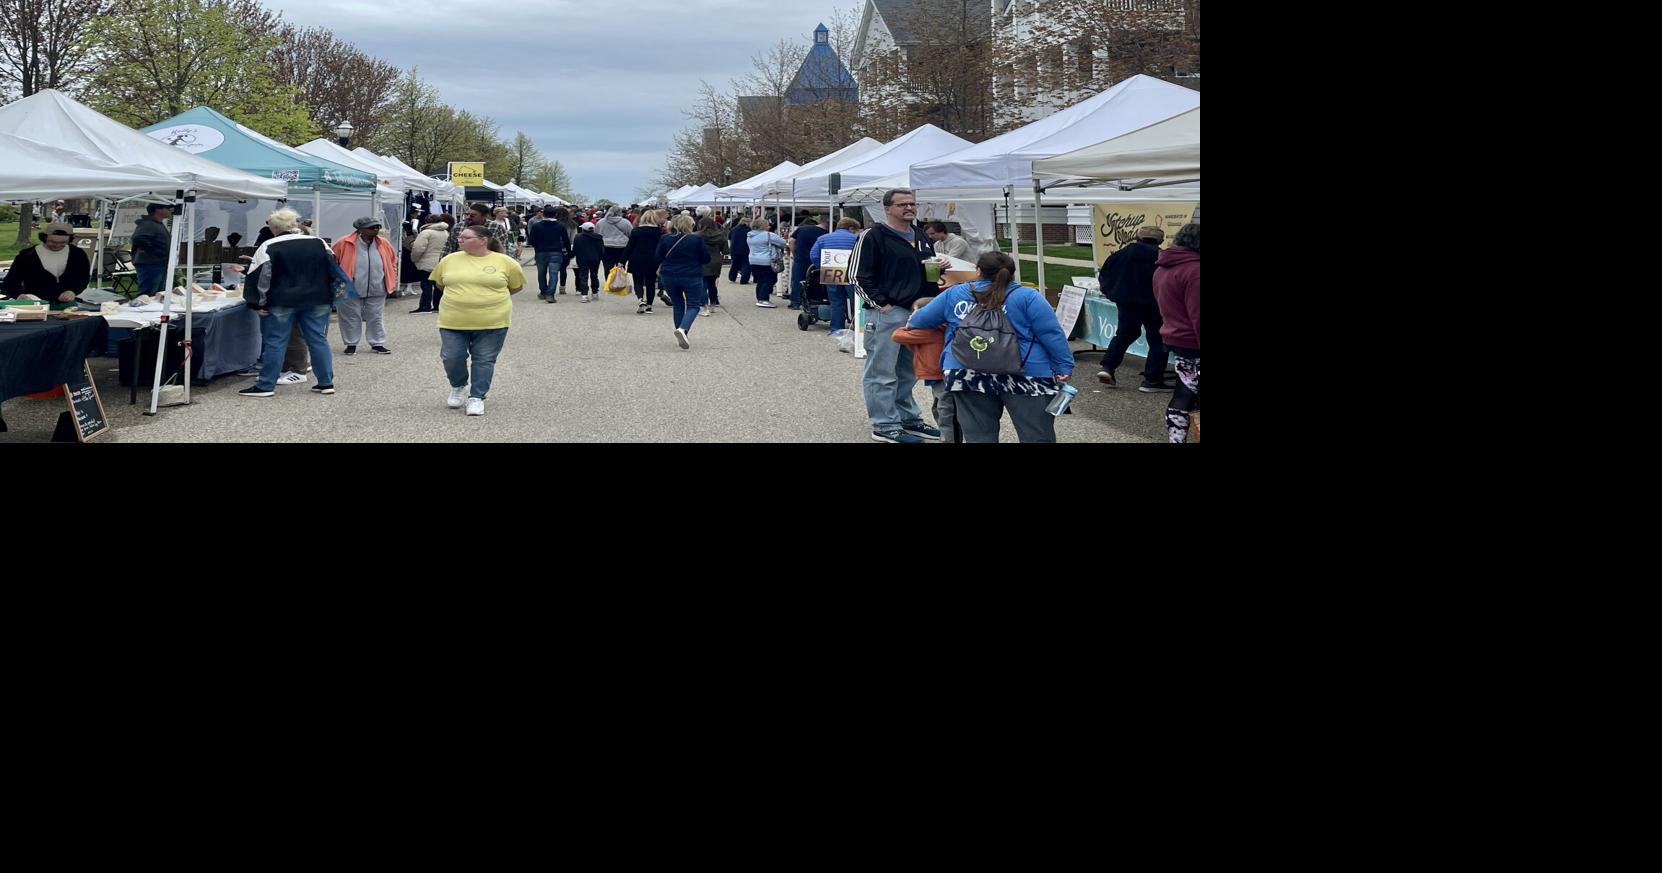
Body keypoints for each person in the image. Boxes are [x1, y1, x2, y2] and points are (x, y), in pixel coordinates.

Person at [907, 251, 1075, 443]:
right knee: (1036, 435)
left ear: (978, 271)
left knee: (978, 437)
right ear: (1011, 272)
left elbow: (919, 320)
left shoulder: (955, 293)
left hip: (967, 372)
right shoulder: (1028, 297)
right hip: (1026, 374)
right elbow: (1052, 334)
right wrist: (1063, 366)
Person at [855, 189, 941, 444]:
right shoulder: (874, 236)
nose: (909, 207)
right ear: (888, 208)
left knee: (908, 371)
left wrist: (938, 267)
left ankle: (907, 419)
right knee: (881, 372)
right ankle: (884, 425)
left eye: (912, 203)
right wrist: (882, 304)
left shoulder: (920, 234)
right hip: (888, 313)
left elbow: (924, 267)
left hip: (919, 313)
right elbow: (858, 275)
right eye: (902, 204)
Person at [237, 209, 338, 398]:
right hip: (317, 299)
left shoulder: (269, 245)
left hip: (281, 300)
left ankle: (266, 385)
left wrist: (257, 304)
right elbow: (333, 269)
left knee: (275, 342)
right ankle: (326, 382)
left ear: (274, 227)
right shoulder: (319, 242)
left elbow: (260, 277)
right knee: (318, 340)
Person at [428, 225, 526, 417]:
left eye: (466, 237)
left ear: (483, 240)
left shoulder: (506, 262)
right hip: (453, 319)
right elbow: (440, 284)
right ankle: (458, 386)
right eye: (460, 237)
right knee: (451, 356)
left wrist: (488, 298)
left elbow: (515, 287)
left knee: (484, 360)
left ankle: (477, 397)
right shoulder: (449, 260)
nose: (460, 240)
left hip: (493, 320)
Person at [1095, 226, 1172, 391]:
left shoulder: (1120, 254)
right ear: (1160, 241)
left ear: (1138, 238)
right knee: (1158, 340)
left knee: (1125, 333)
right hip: (1153, 304)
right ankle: (1152, 379)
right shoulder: (1160, 257)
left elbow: (1104, 276)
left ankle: (1108, 366)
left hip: (1126, 302)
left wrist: (1111, 294)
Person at [1154, 223, 1200, 444]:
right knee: (1186, 393)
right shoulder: (1195, 270)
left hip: (1176, 337)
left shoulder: (1163, 268)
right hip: (1193, 340)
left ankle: (1176, 439)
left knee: (1184, 392)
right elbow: (1198, 314)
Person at [890, 296, 955, 443]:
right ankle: (946, 435)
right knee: (940, 407)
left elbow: (896, 335)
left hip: (937, 374)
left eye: (916, 313)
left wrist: (908, 324)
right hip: (939, 374)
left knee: (944, 410)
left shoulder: (927, 331)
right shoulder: (941, 327)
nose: (912, 316)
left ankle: (948, 438)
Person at [330, 217, 398, 355]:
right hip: (350, 287)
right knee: (349, 316)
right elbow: (332, 261)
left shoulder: (383, 243)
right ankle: (351, 343)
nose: (376, 230)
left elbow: (392, 261)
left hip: (378, 287)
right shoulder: (344, 243)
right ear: (360, 230)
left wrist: (392, 277)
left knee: (376, 316)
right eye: (372, 227)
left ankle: (377, 343)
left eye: (377, 227)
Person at [656, 214, 712, 349]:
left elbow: (657, 257)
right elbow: (706, 259)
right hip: (691, 275)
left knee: (678, 304)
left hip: (669, 275)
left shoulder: (665, 238)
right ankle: (683, 329)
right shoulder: (696, 239)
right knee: (693, 305)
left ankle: (681, 332)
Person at [2, 222, 90, 308]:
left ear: (69, 240)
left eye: (63, 243)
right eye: (52, 242)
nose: (57, 245)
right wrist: (18, 295)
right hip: (35, 305)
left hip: (67, 305)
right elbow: (10, 282)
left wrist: (73, 291)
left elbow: (83, 277)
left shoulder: (77, 254)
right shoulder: (27, 255)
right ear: (44, 237)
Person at [809, 217, 861, 334]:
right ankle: (858, 328)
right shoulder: (857, 239)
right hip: (852, 273)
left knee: (836, 302)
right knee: (856, 301)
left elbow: (813, 255)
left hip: (831, 271)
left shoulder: (823, 238)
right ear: (851, 228)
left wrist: (822, 267)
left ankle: (836, 329)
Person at [527, 205, 572, 303]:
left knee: (541, 273)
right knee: (554, 273)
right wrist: (569, 252)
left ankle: (543, 291)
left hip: (541, 252)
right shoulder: (560, 226)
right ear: (555, 214)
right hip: (556, 251)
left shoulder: (536, 225)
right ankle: (550, 294)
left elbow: (531, 240)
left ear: (543, 214)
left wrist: (537, 247)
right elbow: (566, 240)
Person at [624, 209, 665, 315]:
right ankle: (649, 306)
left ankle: (641, 299)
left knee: (637, 281)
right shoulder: (659, 232)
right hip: (653, 259)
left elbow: (629, 247)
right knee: (650, 283)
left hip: (637, 258)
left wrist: (622, 261)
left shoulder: (636, 231)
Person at [131, 202, 174, 298]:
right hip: (150, 264)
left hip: (159, 263)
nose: (170, 210)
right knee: (147, 294)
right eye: (167, 208)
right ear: (158, 210)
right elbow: (138, 238)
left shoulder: (157, 224)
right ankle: (141, 311)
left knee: (158, 294)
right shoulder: (148, 224)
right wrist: (155, 251)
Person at [409, 214, 449, 313]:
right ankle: (437, 306)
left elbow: (418, 248)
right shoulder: (446, 232)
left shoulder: (426, 233)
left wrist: (414, 259)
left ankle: (424, 306)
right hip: (441, 262)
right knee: (438, 286)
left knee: (426, 286)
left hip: (427, 262)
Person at [788, 215, 828, 310]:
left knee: (797, 280)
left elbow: (791, 242)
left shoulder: (801, 229)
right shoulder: (826, 233)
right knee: (815, 280)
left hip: (800, 258)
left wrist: (794, 253)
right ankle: (813, 300)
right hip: (818, 260)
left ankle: (795, 302)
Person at [746, 219, 788, 308]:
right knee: (770, 279)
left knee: (761, 280)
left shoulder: (750, 235)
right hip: (766, 260)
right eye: (767, 225)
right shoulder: (768, 235)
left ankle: (760, 298)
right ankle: (763, 299)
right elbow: (783, 243)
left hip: (753, 260)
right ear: (763, 226)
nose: (769, 227)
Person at [696, 217, 728, 316]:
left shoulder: (697, 236)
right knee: (712, 284)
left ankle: (703, 305)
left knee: (702, 284)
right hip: (715, 261)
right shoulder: (721, 235)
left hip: (701, 260)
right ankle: (713, 304)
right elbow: (726, 251)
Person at [572, 221, 605, 300]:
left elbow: (575, 249)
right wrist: (600, 258)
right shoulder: (599, 237)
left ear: (583, 229)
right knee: (594, 275)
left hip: (582, 259)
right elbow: (601, 249)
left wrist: (572, 255)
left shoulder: (578, 237)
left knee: (583, 276)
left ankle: (584, 295)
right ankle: (595, 293)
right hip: (595, 259)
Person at [598, 206, 633, 280]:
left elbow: (597, 233)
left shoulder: (601, 222)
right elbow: (631, 234)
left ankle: (609, 282)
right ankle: (620, 283)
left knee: (607, 266)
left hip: (606, 246)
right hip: (622, 247)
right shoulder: (625, 222)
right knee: (621, 266)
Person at [727, 215, 752, 285]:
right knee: (746, 264)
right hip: (745, 249)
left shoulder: (734, 229)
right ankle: (744, 280)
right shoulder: (749, 231)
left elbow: (729, 237)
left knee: (735, 264)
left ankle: (732, 277)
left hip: (734, 249)